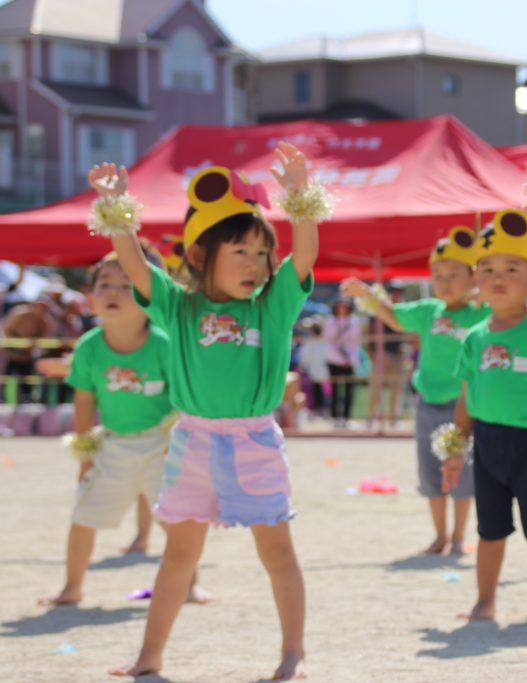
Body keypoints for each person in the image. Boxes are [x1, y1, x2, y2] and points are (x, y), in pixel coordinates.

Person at [91, 142, 323, 679]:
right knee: (178, 557)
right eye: (239, 251)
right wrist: (118, 210)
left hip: (254, 442)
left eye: (262, 253)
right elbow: (134, 265)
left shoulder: (274, 304)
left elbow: (304, 256)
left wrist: (299, 199)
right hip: (193, 442)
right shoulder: (180, 305)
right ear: (199, 256)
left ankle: (293, 653)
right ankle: (149, 657)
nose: (256, 263)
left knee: (277, 553)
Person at [38, 250, 209, 607]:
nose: (113, 292)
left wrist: (178, 444)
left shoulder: (163, 342)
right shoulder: (88, 347)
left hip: (161, 443)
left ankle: (190, 584)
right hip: (112, 445)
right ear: (89, 297)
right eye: (105, 285)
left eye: (126, 285)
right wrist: (84, 451)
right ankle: (72, 587)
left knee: (176, 522)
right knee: (83, 516)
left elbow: (184, 396)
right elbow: (84, 401)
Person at [439, 209, 527, 623]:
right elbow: (467, 397)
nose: (497, 278)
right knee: (490, 529)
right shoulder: (474, 337)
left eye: (511, 268)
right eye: (487, 269)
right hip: (487, 443)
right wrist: (455, 448)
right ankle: (485, 600)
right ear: (475, 280)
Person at [342, 227, 488, 555]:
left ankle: (457, 537)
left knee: (463, 471)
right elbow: (393, 318)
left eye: (454, 274)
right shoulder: (428, 311)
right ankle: (439, 535)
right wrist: (366, 295)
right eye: (438, 275)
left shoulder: (481, 312)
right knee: (430, 470)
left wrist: (486, 293)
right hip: (428, 404)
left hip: (465, 406)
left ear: (472, 277)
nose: (445, 281)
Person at [367, 283, 408, 426]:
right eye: (394, 292)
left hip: (397, 354)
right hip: (382, 354)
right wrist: (371, 352)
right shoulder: (380, 310)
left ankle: (392, 419)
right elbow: (369, 331)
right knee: (375, 388)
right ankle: (371, 418)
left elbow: (407, 332)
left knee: (396, 389)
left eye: (399, 292)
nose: (396, 295)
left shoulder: (403, 310)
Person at [323, 298, 361, 428]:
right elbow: (329, 342)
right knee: (335, 390)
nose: (342, 309)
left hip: (350, 361)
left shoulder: (354, 321)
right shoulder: (330, 321)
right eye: (340, 306)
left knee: (349, 390)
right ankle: (335, 418)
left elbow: (355, 343)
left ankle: (347, 417)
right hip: (334, 360)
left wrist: (350, 359)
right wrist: (340, 359)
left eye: (345, 306)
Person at [297, 321, 330, 416]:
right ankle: (320, 409)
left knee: (317, 389)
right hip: (320, 369)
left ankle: (318, 409)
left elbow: (305, 355)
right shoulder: (323, 340)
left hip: (314, 369)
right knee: (320, 389)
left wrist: (302, 364)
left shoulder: (311, 341)